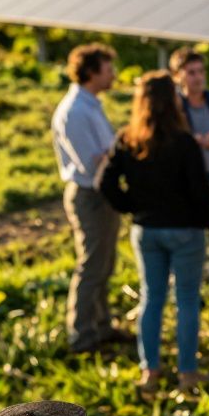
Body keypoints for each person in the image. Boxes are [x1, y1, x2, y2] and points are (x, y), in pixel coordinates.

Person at [99, 71, 209, 392]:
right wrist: (202, 222)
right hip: (184, 229)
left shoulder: (128, 139)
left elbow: (104, 182)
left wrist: (130, 205)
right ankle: (187, 372)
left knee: (152, 297)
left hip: (147, 228)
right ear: (172, 101)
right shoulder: (184, 142)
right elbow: (200, 191)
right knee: (187, 299)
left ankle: (150, 370)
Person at [51, 42, 133, 354]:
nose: (113, 74)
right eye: (108, 69)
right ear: (91, 72)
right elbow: (92, 161)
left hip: (100, 194)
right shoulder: (75, 111)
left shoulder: (89, 105)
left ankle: (101, 326)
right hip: (90, 195)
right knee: (92, 265)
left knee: (104, 263)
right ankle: (82, 336)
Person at [170, 47, 209, 303]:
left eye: (201, 71)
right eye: (191, 72)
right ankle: (190, 296)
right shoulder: (175, 107)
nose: (198, 77)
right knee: (190, 243)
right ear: (179, 76)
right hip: (189, 186)